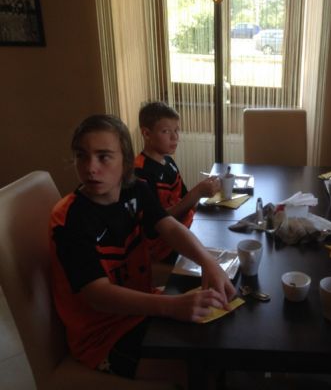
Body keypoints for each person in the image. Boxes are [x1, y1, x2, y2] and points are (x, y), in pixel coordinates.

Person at [49, 114, 236, 383]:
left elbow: (169, 227)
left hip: (142, 306)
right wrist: (172, 306)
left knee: (216, 343)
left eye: (103, 157)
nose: (90, 168)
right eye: (82, 156)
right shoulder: (69, 220)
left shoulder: (136, 189)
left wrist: (209, 263)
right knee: (199, 370)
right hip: (102, 335)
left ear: (125, 161)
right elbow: (98, 296)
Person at [134, 101, 220, 261]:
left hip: (188, 227)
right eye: (166, 131)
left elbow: (184, 200)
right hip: (165, 245)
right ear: (146, 134)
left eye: (176, 130)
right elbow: (157, 223)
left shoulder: (168, 161)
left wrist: (207, 198)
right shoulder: (140, 173)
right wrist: (198, 192)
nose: (175, 137)